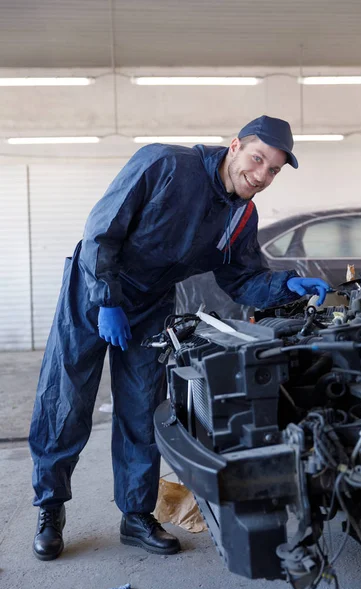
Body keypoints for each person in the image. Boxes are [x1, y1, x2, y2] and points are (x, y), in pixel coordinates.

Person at [29, 115, 330, 561]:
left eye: (274, 169)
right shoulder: (165, 164)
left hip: (151, 303)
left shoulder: (242, 214)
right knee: (67, 398)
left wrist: (285, 286)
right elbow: (101, 231)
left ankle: (135, 516)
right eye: (258, 159)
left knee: (142, 407)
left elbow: (242, 279)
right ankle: (50, 508)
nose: (262, 175)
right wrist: (107, 299)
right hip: (94, 288)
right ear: (234, 146)